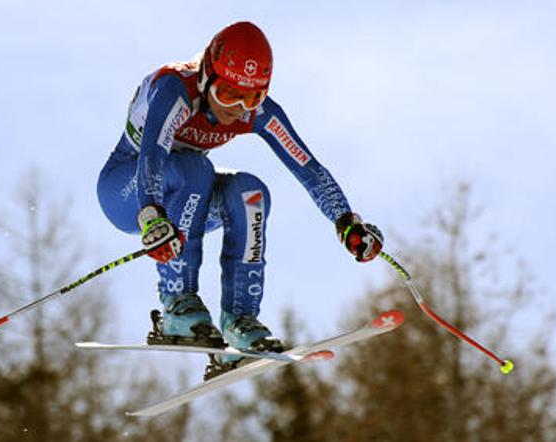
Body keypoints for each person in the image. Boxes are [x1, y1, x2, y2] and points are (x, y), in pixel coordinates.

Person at [97, 21, 383, 376]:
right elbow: (153, 156)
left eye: (252, 97)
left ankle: (239, 324)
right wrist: (152, 215)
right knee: (195, 169)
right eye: (230, 94)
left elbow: (307, 167)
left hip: (183, 203)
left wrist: (346, 223)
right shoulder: (176, 88)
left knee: (250, 193)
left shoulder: (257, 113)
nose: (239, 108)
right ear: (206, 78)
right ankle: (176, 305)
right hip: (128, 190)